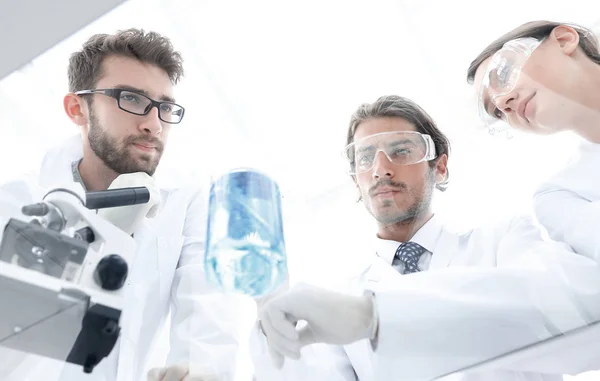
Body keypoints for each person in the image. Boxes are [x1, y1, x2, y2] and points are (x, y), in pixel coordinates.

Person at [251, 95, 600, 381]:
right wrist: (270, 322)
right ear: (356, 181)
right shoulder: (340, 298)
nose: (381, 168)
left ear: (440, 166)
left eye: (401, 151)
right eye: (365, 158)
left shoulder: (505, 239)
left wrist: (375, 316)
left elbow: (564, 318)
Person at [1, 29, 245, 381]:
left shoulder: (188, 196)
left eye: (165, 107)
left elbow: (208, 317)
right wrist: (95, 241)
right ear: (77, 109)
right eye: (131, 99)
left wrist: (200, 372)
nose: (153, 124)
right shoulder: (20, 201)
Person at [466, 20, 600, 264]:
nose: (503, 102)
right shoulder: (560, 195)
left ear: (564, 40)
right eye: (495, 111)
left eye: (504, 72)